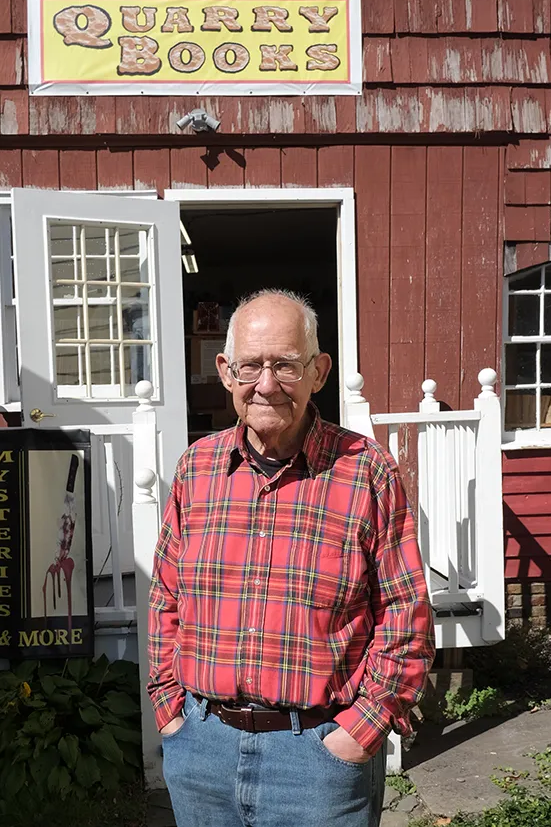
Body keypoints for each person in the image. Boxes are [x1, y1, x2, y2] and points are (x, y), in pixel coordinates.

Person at [148, 289, 435, 827]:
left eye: (285, 365)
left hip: (319, 758)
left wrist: (362, 730)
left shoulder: (367, 471)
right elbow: (166, 595)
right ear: (226, 372)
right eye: (251, 366)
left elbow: (406, 611)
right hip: (201, 749)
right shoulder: (196, 469)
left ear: (319, 372)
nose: (266, 384)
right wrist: (169, 708)